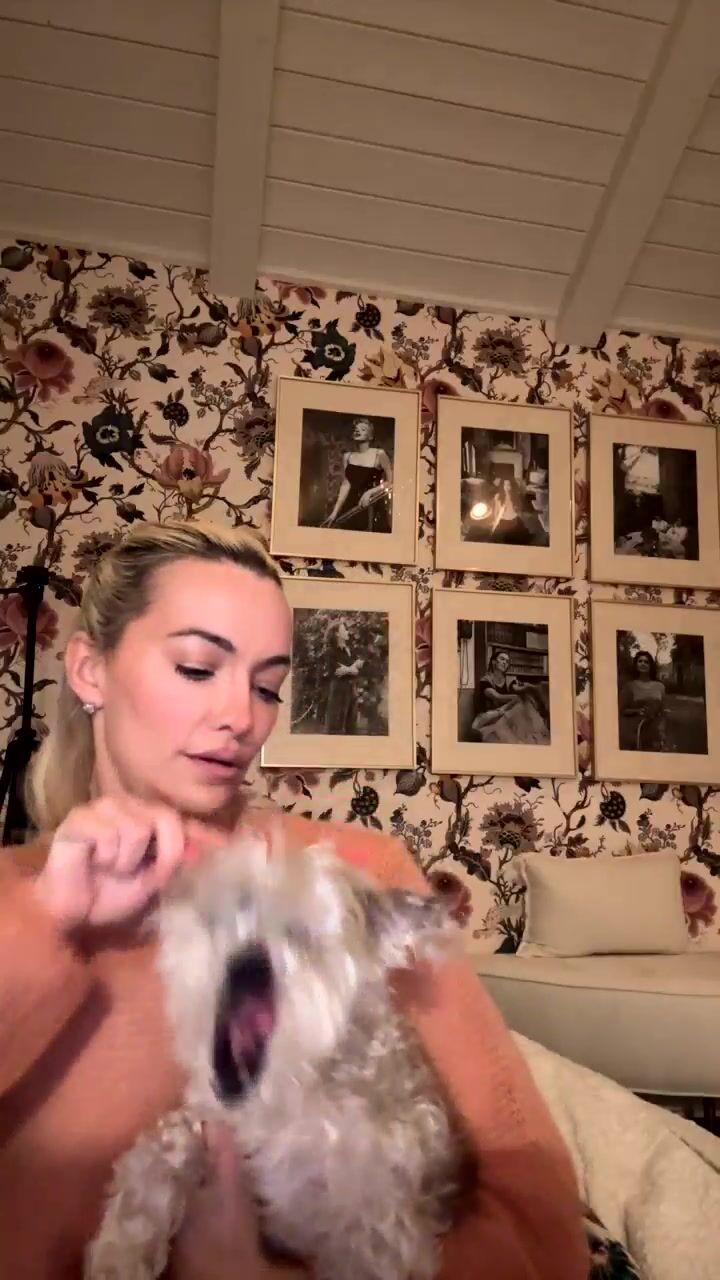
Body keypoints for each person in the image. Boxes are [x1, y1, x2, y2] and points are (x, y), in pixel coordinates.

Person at [0, 519, 589, 1279]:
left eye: (267, 687)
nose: (242, 718)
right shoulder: (16, 901)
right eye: (197, 668)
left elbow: (539, 1220)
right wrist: (45, 921)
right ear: (88, 670)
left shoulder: (355, 878)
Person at [325, 416, 392, 531]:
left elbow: (390, 482)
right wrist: (334, 513)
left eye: (363, 429)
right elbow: (346, 484)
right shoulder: (347, 456)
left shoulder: (379, 454)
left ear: (370, 436)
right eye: (356, 429)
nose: (357, 431)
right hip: (351, 508)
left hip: (371, 506)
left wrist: (369, 492)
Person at [471, 649, 549, 745]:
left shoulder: (510, 680)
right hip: (491, 717)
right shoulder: (485, 680)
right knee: (517, 703)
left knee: (525, 703)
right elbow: (497, 697)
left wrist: (528, 688)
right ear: (494, 662)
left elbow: (517, 689)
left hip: (507, 717)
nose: (505, 663)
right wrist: (513, 699)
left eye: (507, 661)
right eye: (502, 659)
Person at [618, 649, 667, 751]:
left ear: (651, 666)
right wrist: (637, 711)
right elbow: (621, 710)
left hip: (655, 731)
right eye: (640, 661)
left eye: (646, 662)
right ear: (636, 665)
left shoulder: (660, 687)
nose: (643, 664)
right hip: (636, 731)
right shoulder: (629, 686)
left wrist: (662, 732)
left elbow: (662, 712)